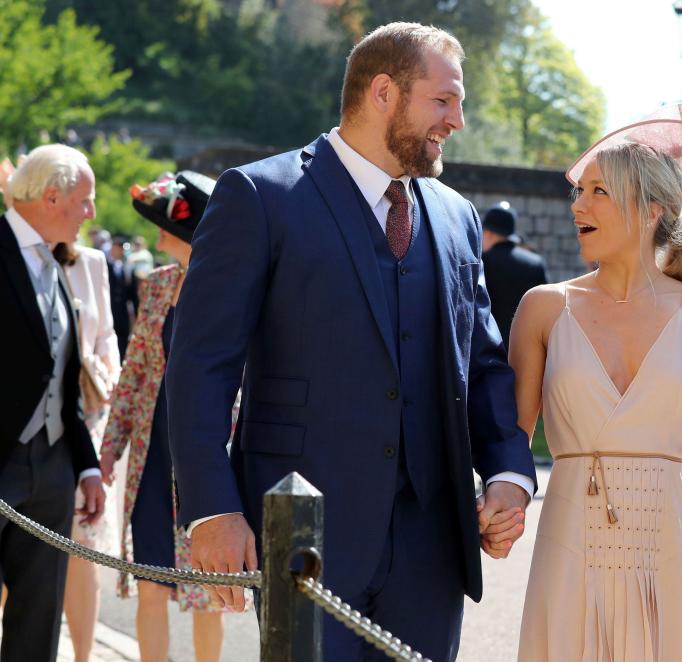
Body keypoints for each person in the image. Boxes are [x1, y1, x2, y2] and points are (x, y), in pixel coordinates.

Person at [164, 23, 537, 661]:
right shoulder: (260, 197)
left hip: (432, 542)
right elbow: (201, 365)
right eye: (443, 101)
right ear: (384, 92)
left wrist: (508, 471)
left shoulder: (456, 216)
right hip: (304, 530)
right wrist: (213, 511)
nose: (458, 121)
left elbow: (480, 360)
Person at [512, 106, 682, 660]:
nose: (577, 205)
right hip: (568, 543)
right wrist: (494, 502)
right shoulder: (542, 309)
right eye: (579, 192)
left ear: (650, 210)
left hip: (663, 545)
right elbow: (509, 435)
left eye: (597, 192)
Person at [99, 172, 231, 662]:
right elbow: (134, 373)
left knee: (206, 593)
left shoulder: (232, 293)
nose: (156, 230)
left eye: (165, 220)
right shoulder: (155, 286)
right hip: (153, 456)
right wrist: (110, 449)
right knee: (151, 582)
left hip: (207, 457)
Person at [0, 144, 105, 661]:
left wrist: (85, 468)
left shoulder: (55, 263)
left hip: (53, 467)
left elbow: (62, 379)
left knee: (39, 619)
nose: (90, 213)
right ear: (51, 196)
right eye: (84, 200)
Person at [56, 241, 122, 662]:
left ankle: (83, 657)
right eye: (83, 200)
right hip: (26, 424)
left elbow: (107, 333)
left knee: (82, 547)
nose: (92, 212)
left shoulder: (94, 262)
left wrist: (104, 370)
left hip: (88, 415)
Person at [481, 202, 548, 349]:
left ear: (489, 233)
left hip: (490, 348)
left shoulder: (482, 263)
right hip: (526, 348)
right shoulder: (535, 263)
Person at [107, 237, 137, 359]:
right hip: (109, 311)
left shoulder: (128, 268)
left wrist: (137, 313)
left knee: (122, 343)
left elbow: (133, 294)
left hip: (122, 314)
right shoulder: (104, 265)